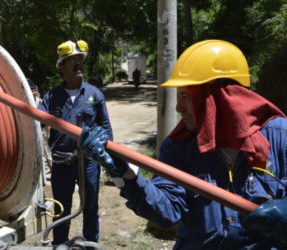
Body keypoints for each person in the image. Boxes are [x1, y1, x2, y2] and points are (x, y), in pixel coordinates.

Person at [78, 40, 287, 249]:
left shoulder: (280, 137)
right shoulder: (179, 146)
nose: (178, 107)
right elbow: (167, 213)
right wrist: (127, 176)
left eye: (185, 96)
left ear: (219, 97)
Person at [39, 40, 113, 245]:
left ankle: (92, 244)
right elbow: (38, 119)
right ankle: (59, 244)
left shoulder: (94, 94)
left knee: (90, 206)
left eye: (80, 60)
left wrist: (108, 159)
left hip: (88, 162)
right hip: (62, 163)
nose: (78, 64)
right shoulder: (51, 96)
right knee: (61, 207)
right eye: (72, 60)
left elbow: (106, 128)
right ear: (62, 67)